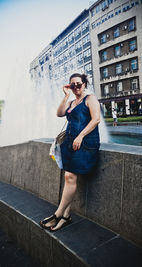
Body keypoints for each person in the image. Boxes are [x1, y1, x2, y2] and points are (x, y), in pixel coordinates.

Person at [39, 73, 100, 232]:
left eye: (78, 84)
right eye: (72, 85)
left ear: (84, 84)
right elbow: (59, 113)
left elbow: (96, 120)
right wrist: (65, 96)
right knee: (69, 179)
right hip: (70, 144)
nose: (76, 87)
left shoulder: (90, 99)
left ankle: (58, 214)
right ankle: (66, 216)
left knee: (69, 176)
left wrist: (80, 136)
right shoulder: (72, 102)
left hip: (85, 144)